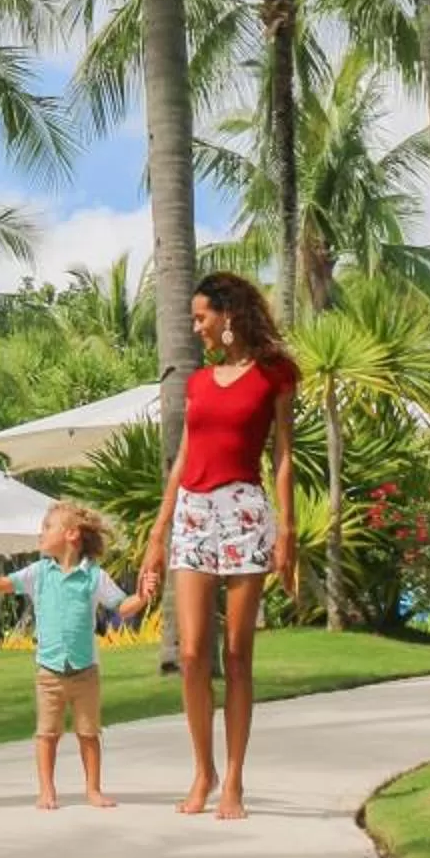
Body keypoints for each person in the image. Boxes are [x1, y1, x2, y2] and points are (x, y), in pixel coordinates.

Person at [139, 268, 298, 822]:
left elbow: (282, 455)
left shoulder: (275, 375)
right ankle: (202, 771)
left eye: (201, 317)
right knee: (190, 654)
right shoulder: (199, 383)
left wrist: (288, 529)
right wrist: (158, 534)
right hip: (193, 515)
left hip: (245, 515)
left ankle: (233, 781)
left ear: (227, 315)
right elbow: (183, 459)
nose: (197, 327)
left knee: (237, 655)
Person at [0, 502, 146, 808]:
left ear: (71, 534)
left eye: (46, 528)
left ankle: (93, 789)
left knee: (89, 733)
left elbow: (121, 606)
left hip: (85, 672)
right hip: (49, 672)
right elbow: (3, 584)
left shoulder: (94, 576)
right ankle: (47, 790)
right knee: (47, 734)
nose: (41, 534)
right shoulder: (39, 572)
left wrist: (143, 596)